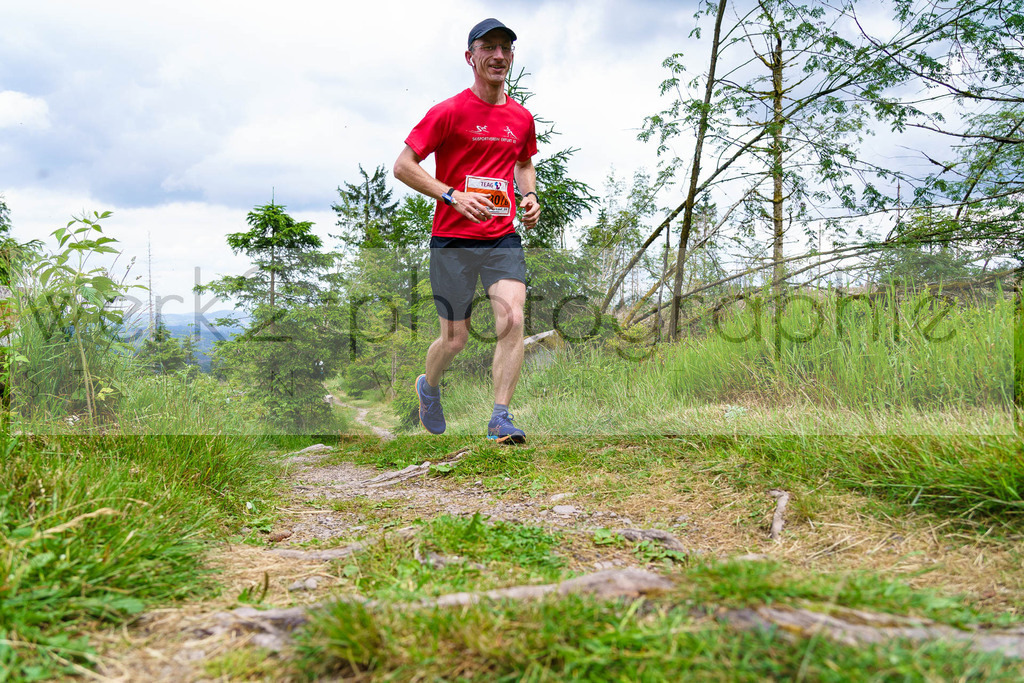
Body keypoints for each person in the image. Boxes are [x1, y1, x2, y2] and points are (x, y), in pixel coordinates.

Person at [393, 18, 540, 444]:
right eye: (488, 47)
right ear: (470, 57)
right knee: (454, 339)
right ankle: (430, 387)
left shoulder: (520, 117)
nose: (498, 55)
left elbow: (524, 162)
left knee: (512, 318)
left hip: (501, 238)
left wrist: (528, 198)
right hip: (452, 240)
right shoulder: (448, 112)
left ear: (511, 57)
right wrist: (451, 195)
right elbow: (403, 166)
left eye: (506, 49)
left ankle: (500, 416)